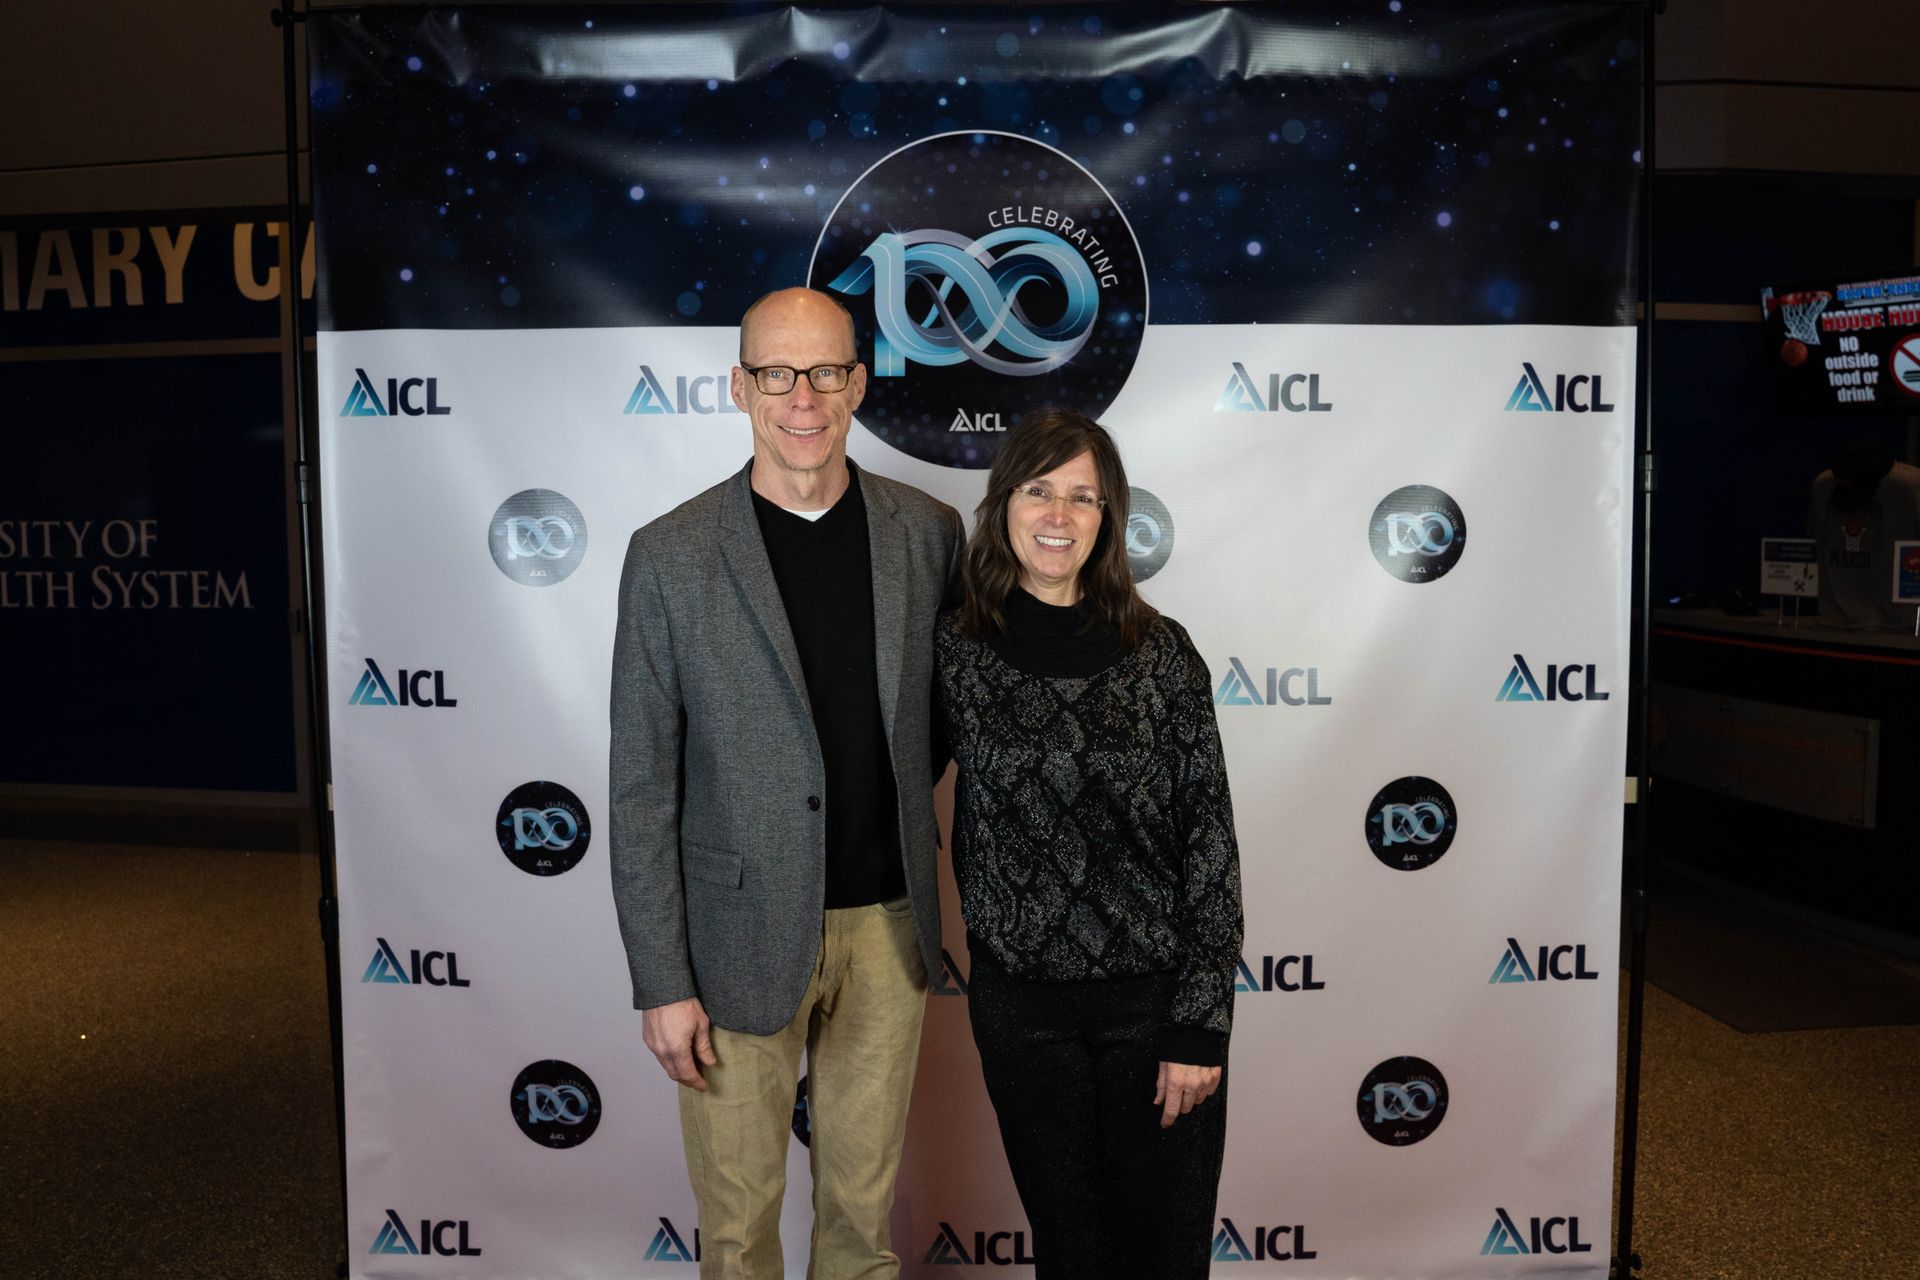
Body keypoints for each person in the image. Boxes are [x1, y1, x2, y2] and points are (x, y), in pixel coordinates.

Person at [609, 286, 963, 1279]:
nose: (801, 396)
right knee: (736, 1231)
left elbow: (937, 723)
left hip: (890, 932)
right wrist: (663, 977)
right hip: (731, 946)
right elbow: (640, 787)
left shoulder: (928, 534)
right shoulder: (670, 556)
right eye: (776, 371)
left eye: (824, 371)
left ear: (858, 382)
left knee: (861, 1221)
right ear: (740, 385)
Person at [933, 408, 1243, 1280]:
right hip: (1021, 1009)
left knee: (1164, 1256)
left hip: (1153, 1006)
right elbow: (885, 773)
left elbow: (1211, 843)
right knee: (1071, 1255)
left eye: (1083, 497)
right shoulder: (956, 652)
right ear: (1004, 506)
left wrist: (1201, 1025)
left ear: (1108, 518)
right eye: (1039, 491)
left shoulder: (1162, 653)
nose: (1058, 515)